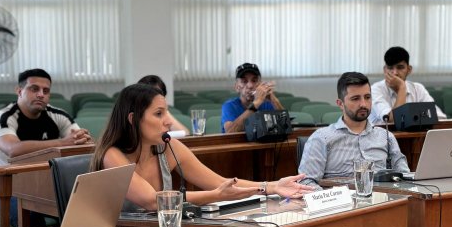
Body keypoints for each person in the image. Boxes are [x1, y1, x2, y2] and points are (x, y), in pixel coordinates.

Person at [90, 84, 312, 211]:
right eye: (158, 114)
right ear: (132, 119)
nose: (168, 121)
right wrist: (216, 195)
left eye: (166, 112)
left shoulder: (167, 146)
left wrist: (272, 186)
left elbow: (218, 181)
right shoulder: (111, 155)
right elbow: (152, 200)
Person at [0, 68, 92, 227]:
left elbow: (83, 144)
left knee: (84, 208)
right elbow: (13, 149)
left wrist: (83, 138)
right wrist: (62, 143)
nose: (41, 94)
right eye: (34, 89)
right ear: (19, 91)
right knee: (33, 218)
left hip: (43, 191)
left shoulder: (58, 116)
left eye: (46, 91)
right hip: (1, 193)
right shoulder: (2, 117)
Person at [298, 72, 409, 186]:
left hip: (385, 200)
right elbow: (306, 181)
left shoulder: (386, 136)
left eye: (367, 97)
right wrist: (330, 200)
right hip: (341, 201)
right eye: (355, 99)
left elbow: (405, 175)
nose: (363, 104)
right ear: (340, 104)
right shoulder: (321, 138)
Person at [370, 46, 445, 124]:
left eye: (400, 67)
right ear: (385, 70)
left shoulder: (418, 88)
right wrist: (402, 87)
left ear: (409, 70)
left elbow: (439, 117)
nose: (395, 72)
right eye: (390, 68)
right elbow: (393, 120)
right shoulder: (375, 89)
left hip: (414, 135)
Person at [221, 63, 285, 133]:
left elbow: (285, 125)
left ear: (260, 84)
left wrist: (274, 100)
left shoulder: (267, 104)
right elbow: (230, 131)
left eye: (254, 81)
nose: (250, 85)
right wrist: (256, 103)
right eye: (244, 81)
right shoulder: (229, 106)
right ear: (237, 87)